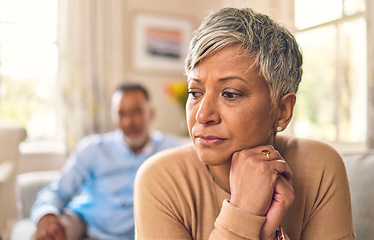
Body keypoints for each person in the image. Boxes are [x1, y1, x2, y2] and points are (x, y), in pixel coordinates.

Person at [134, 7, 355, 240]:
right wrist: (244, 213)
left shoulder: (319, 167)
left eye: (230, 94)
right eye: (195, 92)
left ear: (282, 111)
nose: (202, 115)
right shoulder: (160, 180)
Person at [31, 83, 182, 240]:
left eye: (136, 112)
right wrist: (47, 215)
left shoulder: (171, 149)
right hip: (85, 223)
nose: (128, 122)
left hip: (139, 233)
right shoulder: (93, 148)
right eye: (121, 114)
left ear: (151, 113)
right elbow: (58, 191)